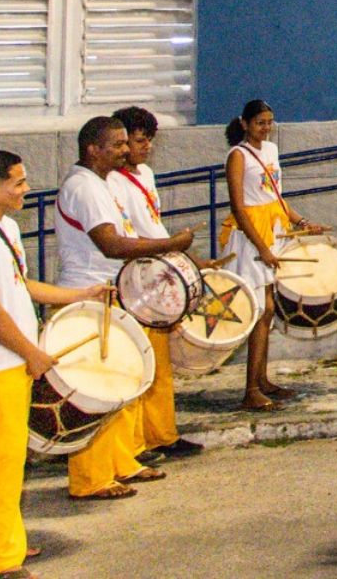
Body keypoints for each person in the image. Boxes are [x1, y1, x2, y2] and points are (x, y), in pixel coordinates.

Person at [0, 150, 113, 577]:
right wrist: (31, 353)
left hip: (16, 360)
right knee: (4, 461)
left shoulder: (6, 228)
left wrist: (80, 295)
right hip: (3, 363)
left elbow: (21, 285)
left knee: (4, 460)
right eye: (18, 183)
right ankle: (4, 558)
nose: (26, 189)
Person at [55, 117, 190, 501]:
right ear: (93, 149)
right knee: (97, 386)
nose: (126, 150)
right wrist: (169, 246)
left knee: (123, 380)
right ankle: (91, 478)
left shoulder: (101, 183)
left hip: (113, 292)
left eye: (125, 143)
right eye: (117, 145)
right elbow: (111, 244)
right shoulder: (83, 186)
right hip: (91, 293)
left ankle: (121, 460)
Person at [107, 107, 205, 463]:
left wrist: (184, 257)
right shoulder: (110, 182)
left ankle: (162, 433)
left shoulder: (145, 174)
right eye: (137, 140)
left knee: (159, 365)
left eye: (149, 140)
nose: (144, 146)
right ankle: (136, 443)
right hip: (135, 278)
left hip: (158, 272)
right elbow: (127, 233)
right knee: (137, 364)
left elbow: (153, 223)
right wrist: (172, 246)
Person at [221, 100, 326, 412]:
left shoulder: (271, 150)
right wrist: (262, 248)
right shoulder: (237, 155)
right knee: (259, 309)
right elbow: (239, 207)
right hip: (250, 237)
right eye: (260, 123)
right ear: (245, 123)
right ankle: (251, 390)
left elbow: (276, 197)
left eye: (269, 122)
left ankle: (262, 381)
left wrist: (302, 222)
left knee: (267, 311)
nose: (266, 128)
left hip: (274, 229)